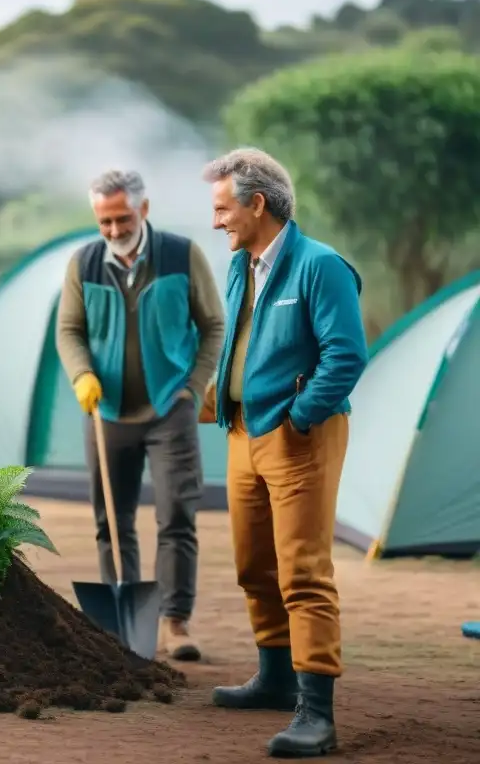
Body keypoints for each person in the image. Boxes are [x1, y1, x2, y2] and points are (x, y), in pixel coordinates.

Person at [202, 148, 367, 758]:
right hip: (244, 432)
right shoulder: (241, 265)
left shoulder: (321, 267)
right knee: (254, 564)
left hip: (299, 436)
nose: (216, 221)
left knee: (303, 572)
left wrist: (301, 417)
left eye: (222, 209)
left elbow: (345, 355)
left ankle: (316, 713)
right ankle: (274, 677)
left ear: (257, 203)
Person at [56, 169, 225, 662]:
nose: (113, 230)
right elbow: (69, 330)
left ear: (144, 210)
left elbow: (213, 326)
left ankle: (174, 622)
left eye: (122, 218)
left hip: (170, 408)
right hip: (105, 411)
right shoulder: (82, 264)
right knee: (112, 521)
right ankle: (126, 624)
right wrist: (82, 375)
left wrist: (192, 390)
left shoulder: (181, 255)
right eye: (104, 221)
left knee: (177, 515)